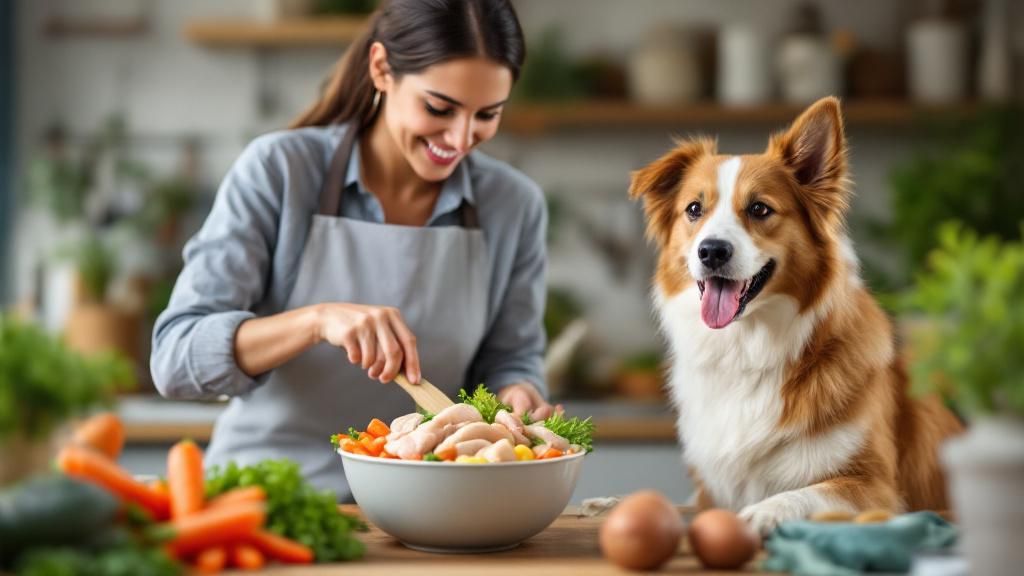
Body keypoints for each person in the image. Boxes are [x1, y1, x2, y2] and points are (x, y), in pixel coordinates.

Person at [151, 0, 558, 499]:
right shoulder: (280, 171)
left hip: (425, 509)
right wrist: (316, 321)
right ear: (382, 68)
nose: (460, 138)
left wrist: (518, 393)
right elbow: (175, 357)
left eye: (487, 115)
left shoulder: (513, 205)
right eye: (439, 107)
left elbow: (511, 359)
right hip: (261, 498)